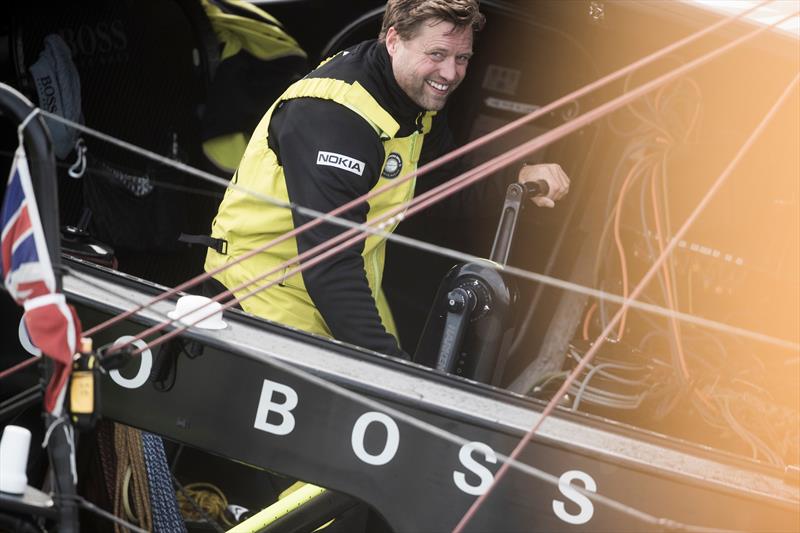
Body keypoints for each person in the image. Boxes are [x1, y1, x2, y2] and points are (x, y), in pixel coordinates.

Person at [203, 0, 569, 358]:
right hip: (263, 303)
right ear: (394, 40)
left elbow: (443, 179)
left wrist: (515, 178)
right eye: (437, 54)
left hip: (339, 290)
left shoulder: (411, 95)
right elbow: (328, 266)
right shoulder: (336, 119)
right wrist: (387, 367)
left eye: (462, 59)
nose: (451, 74)